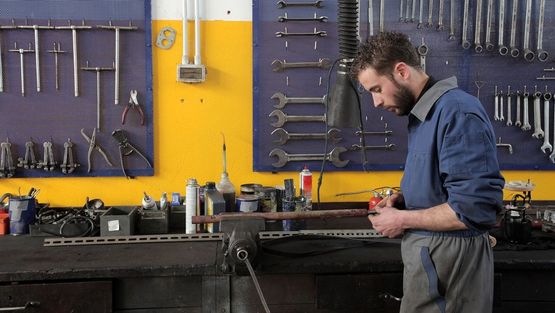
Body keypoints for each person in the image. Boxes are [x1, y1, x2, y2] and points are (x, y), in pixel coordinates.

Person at [351, 31, 505, 313]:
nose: (376, 102)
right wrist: (405, 198)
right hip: (435, 262)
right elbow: (445, 185)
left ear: (401, 71)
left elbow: (473, 208)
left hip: (452, 267)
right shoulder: (426, 115)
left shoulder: (456, 112)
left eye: (376, 89)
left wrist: (402, 219)